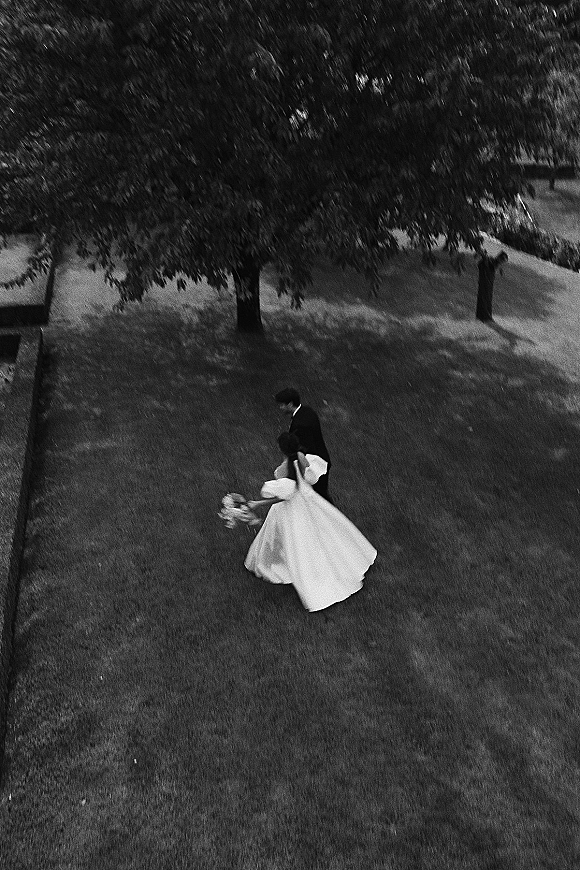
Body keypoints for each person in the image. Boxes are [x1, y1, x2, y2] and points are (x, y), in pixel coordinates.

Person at [245, 433, 376, 612]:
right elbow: (307, 477)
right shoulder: (301, 457)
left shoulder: (284, 470)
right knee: (318, 532)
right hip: (307, 500)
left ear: (282, 449)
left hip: (291, 507)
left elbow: (282, 497)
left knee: (293, 539)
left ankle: (288, 564)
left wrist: (258, 503)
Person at [275, 387, 332, 502]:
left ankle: (333, 518)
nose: (280, 408)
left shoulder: (300, 425)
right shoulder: (307, 411)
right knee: (320, 497)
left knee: (320, 499)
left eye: (282, 405)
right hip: (320, 460)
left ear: (290, 404)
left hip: (314, 466)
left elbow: (304, 449)